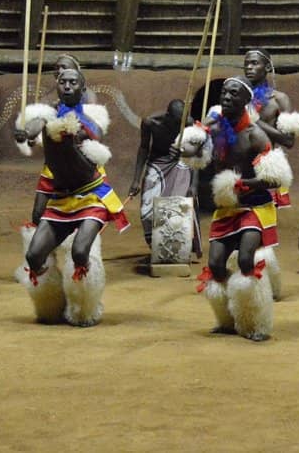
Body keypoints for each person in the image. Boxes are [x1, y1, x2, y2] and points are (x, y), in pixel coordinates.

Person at [178, 76, 293, 342]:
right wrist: (197, 132)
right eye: (224, 94)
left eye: (233, 94)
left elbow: (276, 179)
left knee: (246, 260)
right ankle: (229, 318)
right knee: (216, 265)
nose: (226, 97)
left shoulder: (255, 134)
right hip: (227, 207)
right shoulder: (214, 130)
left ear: (245, 102)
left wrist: (244, 184)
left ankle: (256, 322)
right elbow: (189, 156)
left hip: (255, 206)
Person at [13, 68, 129, 326]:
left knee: (79, 252)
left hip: (91, 197)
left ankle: (87, 306)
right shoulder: (47, 116)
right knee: (34, 257)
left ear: (82, 88)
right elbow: (37, 125)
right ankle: (53, 304)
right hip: (60, 198)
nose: (66, 86)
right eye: (62, 82)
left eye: (72, 82)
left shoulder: (89, 119)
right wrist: (26, 133)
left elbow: (93, 134)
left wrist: (74, 131)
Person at [243, 49, 299, 299]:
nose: (249, 67)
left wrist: (257, 122)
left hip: (267, 167)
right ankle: (252, 281)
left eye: (255, 63)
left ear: (267, 67)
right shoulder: (237, 96)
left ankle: (266, 284)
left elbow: (289, 141)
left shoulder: (280, 99)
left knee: (261, 229)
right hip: (241, 168)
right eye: (246, 63)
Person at [128, 99, 200, 259]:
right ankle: (157, 247)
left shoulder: (189, 124)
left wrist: (194, 184)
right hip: (156, 164)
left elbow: (196, 155)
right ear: (168, 116)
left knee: (178, 208)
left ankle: (177, 250)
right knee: (147, 212)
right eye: (176, 122)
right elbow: (144, 148)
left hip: (180, 164)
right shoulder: (150, 123)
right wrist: (136, 179)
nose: (178, 126)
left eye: (181, 122)